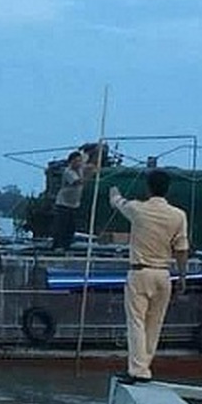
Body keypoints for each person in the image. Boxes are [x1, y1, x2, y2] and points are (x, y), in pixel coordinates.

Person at [109, 170, 188, 384]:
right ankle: (144, 366)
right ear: (168, 189)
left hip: (140, 272)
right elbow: (181, 249)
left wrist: (114, 194)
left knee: (136, 321)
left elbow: (119, 203)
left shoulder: (138, 209)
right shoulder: (179, 215)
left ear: (148, 188)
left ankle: (138, 370)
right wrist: (182, 276)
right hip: (164, 274)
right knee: (155, 324)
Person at [51, 150, 96, 250]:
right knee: (61, 227)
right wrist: (90, 174)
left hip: (74, 204)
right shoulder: (69, 172)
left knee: (71, 228)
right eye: (76, 161)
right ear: (71, 162)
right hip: (63, 204)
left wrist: (91, 163)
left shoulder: (80, 167)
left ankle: (67, 246)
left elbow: (86, 158)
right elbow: (78, 182)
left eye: (79, 161)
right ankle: (57, 246)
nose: (78, 163)